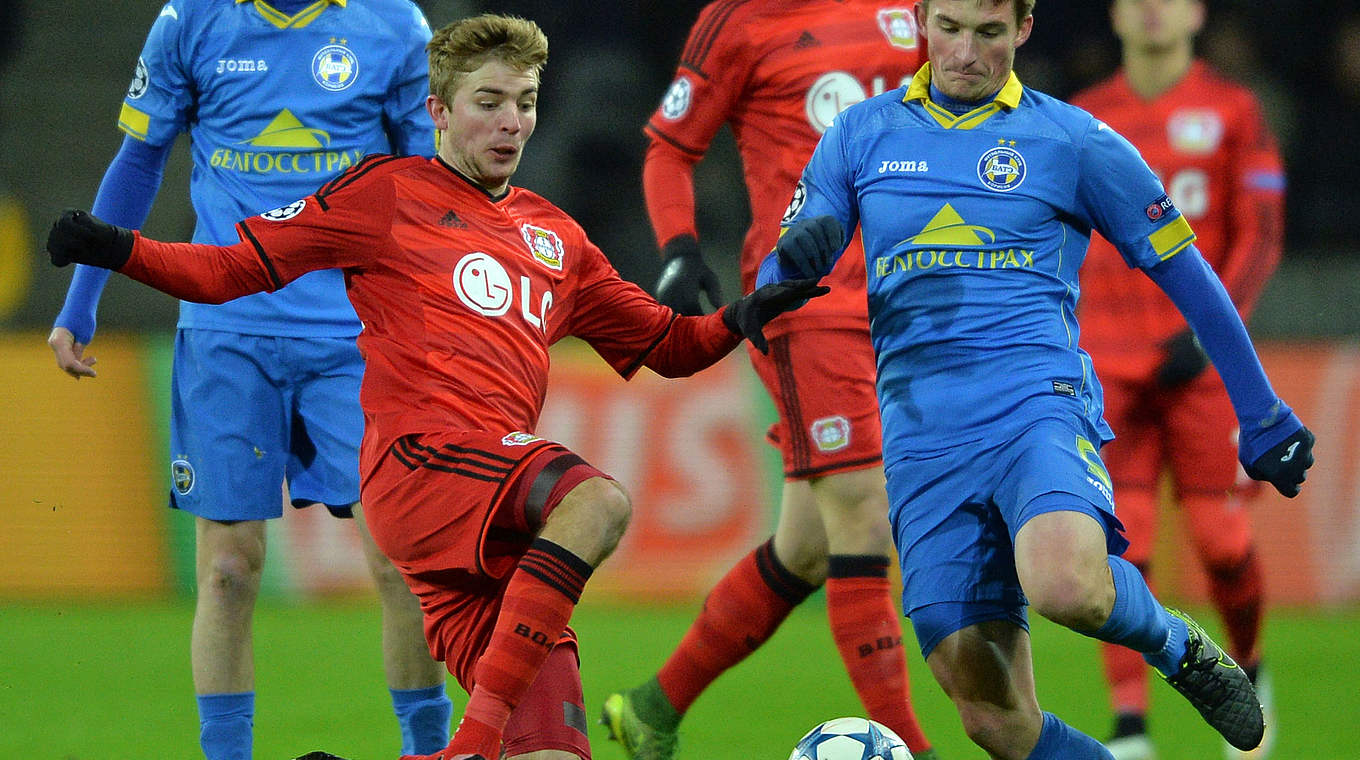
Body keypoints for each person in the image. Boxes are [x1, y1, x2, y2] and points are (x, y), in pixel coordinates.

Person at [45, 14, 828, 760]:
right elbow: (233, 269)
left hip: (490, 525)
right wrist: (116, 248)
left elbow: (666, 343)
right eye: (488, 103)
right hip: (423, 465)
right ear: (439, 113)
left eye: (524, 104)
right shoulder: (384, 195)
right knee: (596, 500)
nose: (511, 122)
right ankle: (469, 743)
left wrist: (743, 314)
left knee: (552, 750)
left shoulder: (559, 239)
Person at [753, 0, 1315, 758]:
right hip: (921, 439)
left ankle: (1177, 646)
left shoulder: (1071, 139)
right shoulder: (861, 133)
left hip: (1034, 404)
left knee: (1067, 584)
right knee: (993, 717)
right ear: (921, 19)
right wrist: (795, 261)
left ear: (1022, 28)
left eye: (988, 33)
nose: (965, 53)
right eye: (948, 28)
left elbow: (1186, 271)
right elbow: (776, 277)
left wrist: (1263, 411)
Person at [44, 1, 453, 757]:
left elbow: (435, 182)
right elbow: (139, 160)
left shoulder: (395, 25)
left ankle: (428, 750)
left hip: (356, 336)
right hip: (228, 331)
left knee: (399, 557)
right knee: (230, 569)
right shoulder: (189, 21)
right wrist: (81, 302)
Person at [601, 2, 939, 759]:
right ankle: (915, 750)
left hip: (913, 295)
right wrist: (681, 250)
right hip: (807, 303)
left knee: (810, 546)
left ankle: (654, 708)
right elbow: (669, 148)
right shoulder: (740, 19)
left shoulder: (909, 9)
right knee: (863, 513)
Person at [1068, 1, 1287, 758]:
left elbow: (1259, 233)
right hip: (1109, 369)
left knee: (1222, 541)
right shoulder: (1084, 118)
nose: (1153, 9)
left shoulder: (1233, 109)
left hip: (1199, 370)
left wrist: (1215, 333)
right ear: (1116, 14)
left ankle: (1251, 676)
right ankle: (1129, 725)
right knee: (1117, 552)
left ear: (1196, 12)